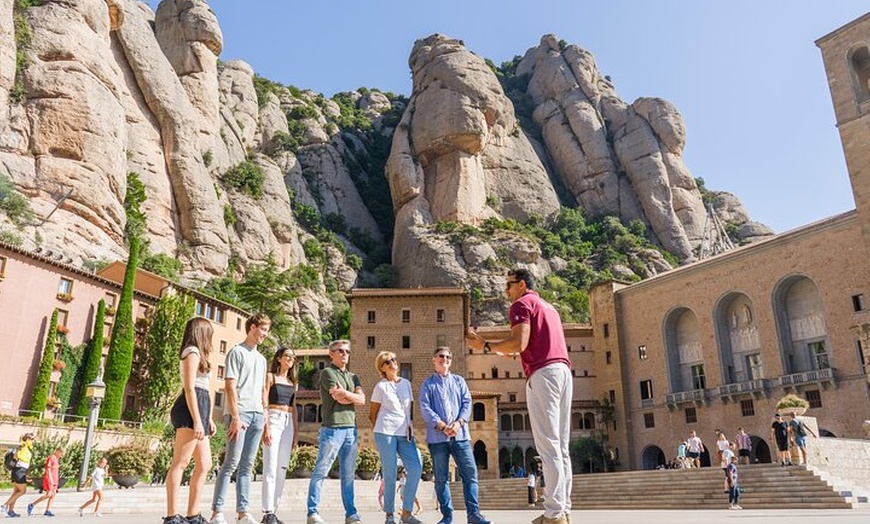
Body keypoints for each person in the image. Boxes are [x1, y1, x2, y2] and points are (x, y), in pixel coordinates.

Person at [466, 268, 573, 524]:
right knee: (561, 446)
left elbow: (519, 344)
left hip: (543, 375)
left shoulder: (521, 304)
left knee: (548, 446)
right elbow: (523, 347)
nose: (506, 291)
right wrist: (496, 349)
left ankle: (554, 514)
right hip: (563, 372)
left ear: (522, 284)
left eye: (509, 285)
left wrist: (485, 345)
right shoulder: (550, 307)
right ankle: (563, 509)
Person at [419, 346, 491, 524]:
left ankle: (474, 514)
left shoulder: (459, 381)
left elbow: (467, 403)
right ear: (434, 359)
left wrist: (458, 423)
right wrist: (443, 426)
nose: (445, 359)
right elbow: (425, 408)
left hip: (461, 436)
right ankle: (447, 516)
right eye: (441, 356)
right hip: (438, 439)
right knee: (441, 478)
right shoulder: (427, 384)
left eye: (448, 357)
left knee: (470, 475)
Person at [210, 313, 270, 524]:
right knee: (231, 462)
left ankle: (243, 512)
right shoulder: (236, 352)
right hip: (240, 413)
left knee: (248, 465)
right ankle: (217, 511)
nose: (265, 334)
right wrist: (235, 416)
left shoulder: (262, 359)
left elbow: (263, 388)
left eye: (267, 330)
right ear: (252, 327)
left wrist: (265, 415)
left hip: (257, 416)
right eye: (263, 329)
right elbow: (229, 385)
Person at [306, 339, 366, 524]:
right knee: (321, 471)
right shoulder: (327, 373)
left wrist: (347, 395)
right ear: (331, 354)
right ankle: (312, 513)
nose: (344, 354)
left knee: (348, 475)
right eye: (340, 351)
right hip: (332, 429)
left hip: (351, 430)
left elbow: (362, 400)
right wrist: (351, 396)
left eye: (347, 351)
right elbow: (337, 397)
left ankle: (351, 514)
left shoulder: (354, 376)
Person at [164, 317, 216, 524]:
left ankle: (193, 515)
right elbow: (189, 388)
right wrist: (197, 420)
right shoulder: (192, 352)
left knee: (205, 464)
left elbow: (203, 390)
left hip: (201, 408)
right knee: (181, 462)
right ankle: (172, 516)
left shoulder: (200, 354)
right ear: (201, 333)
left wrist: (208, 417)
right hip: (189, 409)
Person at [369, 350, 422, 524]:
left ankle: (406, 513)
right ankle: (389, 515)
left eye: (393, 359)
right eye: (387, 361)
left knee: (415, 467)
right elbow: (372, 414)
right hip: (385, 433)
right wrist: (381, 431)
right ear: (382, 368)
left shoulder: (406, 383)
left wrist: (409, 428)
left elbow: (408, 410)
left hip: (405, 433)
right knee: (390, 474)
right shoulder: (380, 386)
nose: (392, 362)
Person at [261, 347, 298, 524]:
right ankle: (267, 512)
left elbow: (295, 409)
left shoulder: (292, 382)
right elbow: (264, 402)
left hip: (288, 421)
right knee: (270, 467)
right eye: (287, 356)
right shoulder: (270, 377)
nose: (291, 359)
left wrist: (296, 432)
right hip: (273, 419)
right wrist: (265, 427)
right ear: (279, 359)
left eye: (293, 357)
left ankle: (274, 511)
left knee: (282, 468)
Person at [2, 432, 35, 517]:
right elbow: (17, 457)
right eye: (31, 439)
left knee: (16, 492)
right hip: (19, 471)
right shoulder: (23, 447)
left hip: (21, 471)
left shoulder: (27, 448)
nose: (33, 441)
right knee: (22, 491)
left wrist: (25, 473)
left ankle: (10, 511)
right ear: (27, 440)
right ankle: (4, 506)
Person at [27, 447, 65, 517]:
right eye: (61, 454)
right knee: (49, 494)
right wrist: (50, 479)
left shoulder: (57, 459)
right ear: (57, 451)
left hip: (55, 479)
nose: (61, 456)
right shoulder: (51, 458)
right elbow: (48, 469)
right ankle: (32, 505)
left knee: (53, 495)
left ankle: (47, 510)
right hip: (49, 479)